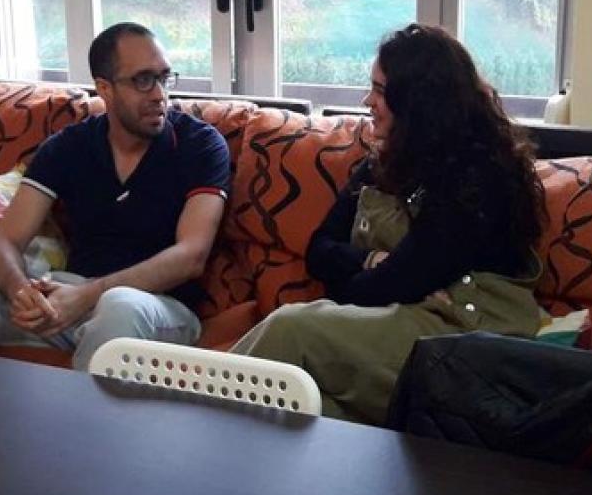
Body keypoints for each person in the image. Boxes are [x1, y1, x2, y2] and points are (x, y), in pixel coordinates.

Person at [230, 23, 545, 424]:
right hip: (400, 323)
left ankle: (192, 420)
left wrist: (365, 277)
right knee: (305, 403)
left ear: (417, 102)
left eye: (380, 91)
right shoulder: (382, 163)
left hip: (461, 341)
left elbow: (395, 283)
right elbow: (318, 250)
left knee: (291, 328)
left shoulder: (479, 178)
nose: (367, 101)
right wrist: (368, 262)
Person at [0, 22, 230, 392]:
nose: (160, 95)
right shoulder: (69, 146)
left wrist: (87, 296)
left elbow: (191, 256)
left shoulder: (199, 145)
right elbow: (6, 242)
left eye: (163, 78)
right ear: (104, 88)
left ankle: (79, 430)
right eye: (143, 80)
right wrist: (22, 293)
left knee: (119, 305)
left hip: (155, 307)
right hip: (70, 297)